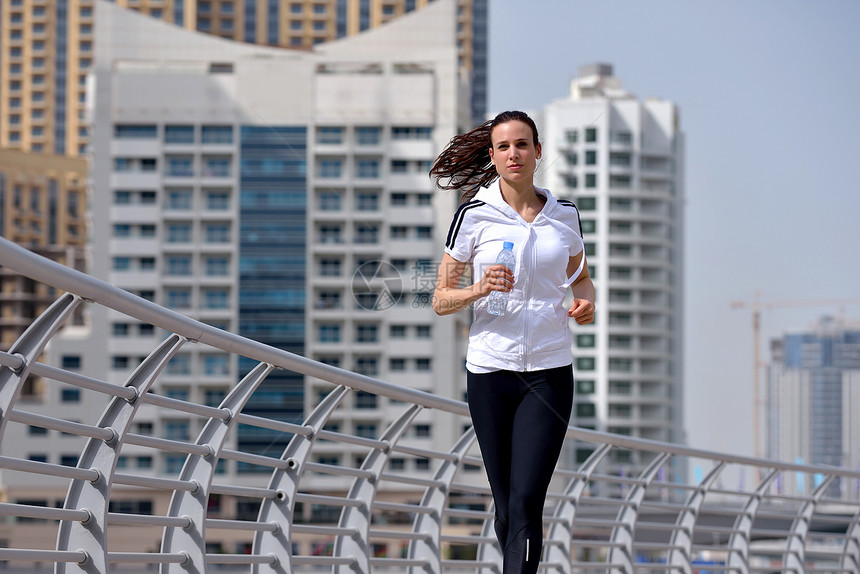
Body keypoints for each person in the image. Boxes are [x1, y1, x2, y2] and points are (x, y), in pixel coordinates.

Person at [430, 110, 595, 574]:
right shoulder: (474, 216)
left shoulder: (565, 215)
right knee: (505, 506)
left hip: (549, 373)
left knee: (526, 501)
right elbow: (441, 299)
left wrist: (586, 305)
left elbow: (581, 280)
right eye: (503, 146)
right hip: (490, 374)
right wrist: (479, 288)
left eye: (522, 144)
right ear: (492, 155)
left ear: (538, 151)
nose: (513, 154)